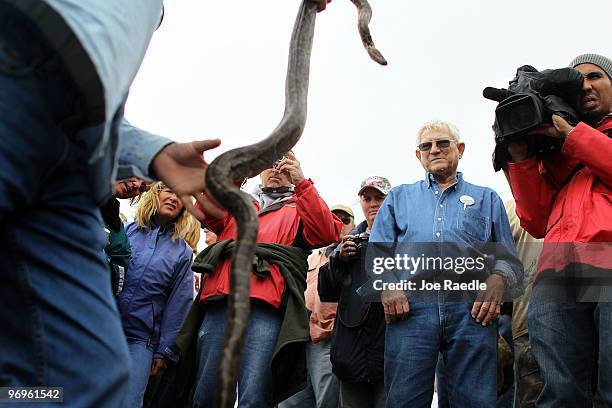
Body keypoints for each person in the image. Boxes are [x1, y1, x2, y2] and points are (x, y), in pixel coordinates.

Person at [369, 121, 523, 408]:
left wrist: (498, 279)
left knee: (476, 401)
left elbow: (509, 259)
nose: (434, 150)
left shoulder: (487, 199)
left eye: (442, 143)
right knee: (404, 400)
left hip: (473, 312)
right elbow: (378, 250)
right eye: (426, 146)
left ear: (460, 149)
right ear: (419, 156)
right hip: (410, 310)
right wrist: (388, 285)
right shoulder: (398, 198)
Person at [191, 151, 342, 407]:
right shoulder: (239, 203)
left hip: (266, 309)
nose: (276, 169)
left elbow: (326, 231)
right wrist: (237, 176)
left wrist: (303, 183)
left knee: (255, 395)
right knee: (206, 393)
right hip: (221, 303)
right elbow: (205, 209)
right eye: (269, 164)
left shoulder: (299, 205)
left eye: (284, 165)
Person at [504, 53, 612, 407]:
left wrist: (573, 136)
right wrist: (519, 156)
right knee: (559, 392)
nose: (586, 85)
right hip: (556, 272)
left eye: (596, 76)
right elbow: (535, 220)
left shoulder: (574, 140)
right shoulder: (556, 151)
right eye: (576, 80)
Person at [117, 182, 194, 408]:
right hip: (105, 330)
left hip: (141, 341)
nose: (174, 198)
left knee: (130, 402)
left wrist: (165, 351)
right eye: (169, 191)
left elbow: (179, 304)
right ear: (155, 195)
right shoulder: (125, 232)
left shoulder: (183, 252)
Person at [318, 177, 392, 408]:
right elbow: (326, 292)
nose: (373, 204)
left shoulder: (406, 238)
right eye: (367, 198)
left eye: (379, 198)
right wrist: (339, 260)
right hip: (351, 356)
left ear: (390, 201)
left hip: (390, 354)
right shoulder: (349, 243)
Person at [279, 204, 355, 408]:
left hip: (330, 339)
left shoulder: (354, 256)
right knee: (290, 400)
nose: (339, 225)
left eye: (345, 220)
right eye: (334, 220)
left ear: (353, 225)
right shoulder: (311, 257)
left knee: (327, 401)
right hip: (300, 339)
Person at [101, 177, 149, 296]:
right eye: (138, 175)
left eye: (142, 187)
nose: (137, 185)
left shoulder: (117, 232)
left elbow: (114, 287)